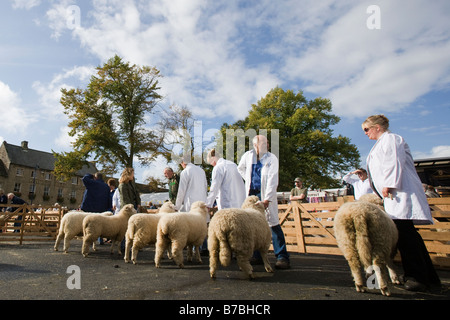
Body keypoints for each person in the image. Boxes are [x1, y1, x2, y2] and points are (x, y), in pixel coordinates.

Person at [363, 114, 441, 292]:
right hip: (394, 196)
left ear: (377, 127)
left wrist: (389, 184)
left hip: (398, 193)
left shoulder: (390, 139)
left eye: (367, 129)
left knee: (405, 237)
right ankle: (429, 277)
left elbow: (393, 162)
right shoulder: (382, 142)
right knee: (408, 235)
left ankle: (417, 277)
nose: (366, 133)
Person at [238, 135, 290, 269]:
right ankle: (257, 256)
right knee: (254, 225)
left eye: (267, 143)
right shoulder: (247, 156)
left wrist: (267, 198)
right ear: (256, 145)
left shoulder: (272, 158)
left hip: (265, 193)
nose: (267, 145)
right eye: (264, 143)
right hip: (252, 194)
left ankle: (282, 256)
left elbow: (273, 179)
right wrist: (248, 180)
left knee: (273, 223)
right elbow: (241, 168)